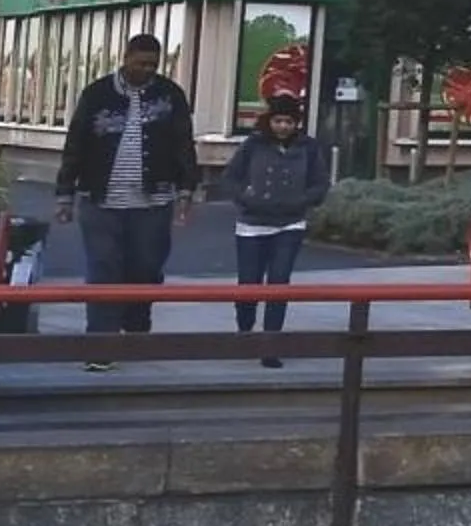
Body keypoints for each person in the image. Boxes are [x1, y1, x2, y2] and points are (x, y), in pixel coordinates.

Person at [52, 32, 200, 370]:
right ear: (126, 58)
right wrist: (65, 194)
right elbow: (76, 143)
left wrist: (187, 190)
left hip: (153, 200)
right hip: (101, 199)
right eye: (141, 63)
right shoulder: (97, 94)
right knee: (104, 271)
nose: (146, 70)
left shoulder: (170, 95)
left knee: (145, 269)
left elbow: (183, 144)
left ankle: (135, 334)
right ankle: (100, 346)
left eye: (153, 64)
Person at [217, 93, 331, 367]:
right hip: (252, 224)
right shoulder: (253, 145)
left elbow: (320, 183)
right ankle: (245, 333)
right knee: (249, 284)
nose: (283, 127)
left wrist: (302, 201)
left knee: (279, 284)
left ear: (297, 123)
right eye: (278, 121)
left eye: (289, 122)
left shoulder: (309, 148)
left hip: (289, 224)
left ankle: (271, 345)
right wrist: (246, 198)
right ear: (270, 121)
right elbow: (230, 178)